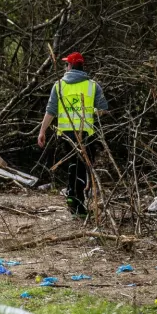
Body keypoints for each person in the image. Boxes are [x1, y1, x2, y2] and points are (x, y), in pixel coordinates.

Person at [37, 52, 108, 216]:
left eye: (66, 64)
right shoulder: (93, 86)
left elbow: (50, 111)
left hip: (66, 134)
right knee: (82, 167)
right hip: (85, 133)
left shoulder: (59, 85)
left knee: (73, 165)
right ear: (82, 66)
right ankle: (76, 202)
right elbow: (103, 110)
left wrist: (42, 131)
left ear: (69, 66)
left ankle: (72, 197)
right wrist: (89, 112)